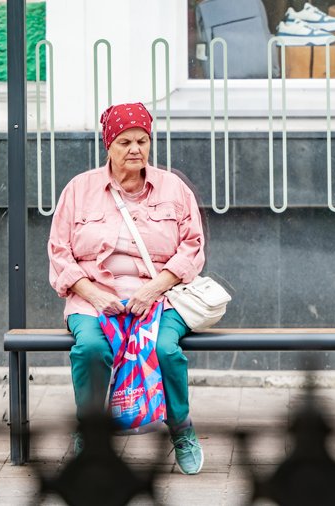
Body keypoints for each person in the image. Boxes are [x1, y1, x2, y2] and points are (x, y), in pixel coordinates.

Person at [47, 102, 205, 475]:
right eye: (124, 141)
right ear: (108, 145)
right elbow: (59, 251)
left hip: (161, 296)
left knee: (165, 349)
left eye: (142, 140)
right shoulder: (79, 190)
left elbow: (193, 246)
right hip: (93, 297)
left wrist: (153, 290)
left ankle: (181, 428)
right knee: (90, 349)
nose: (135, 149)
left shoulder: (173, 188)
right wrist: (94, 294)